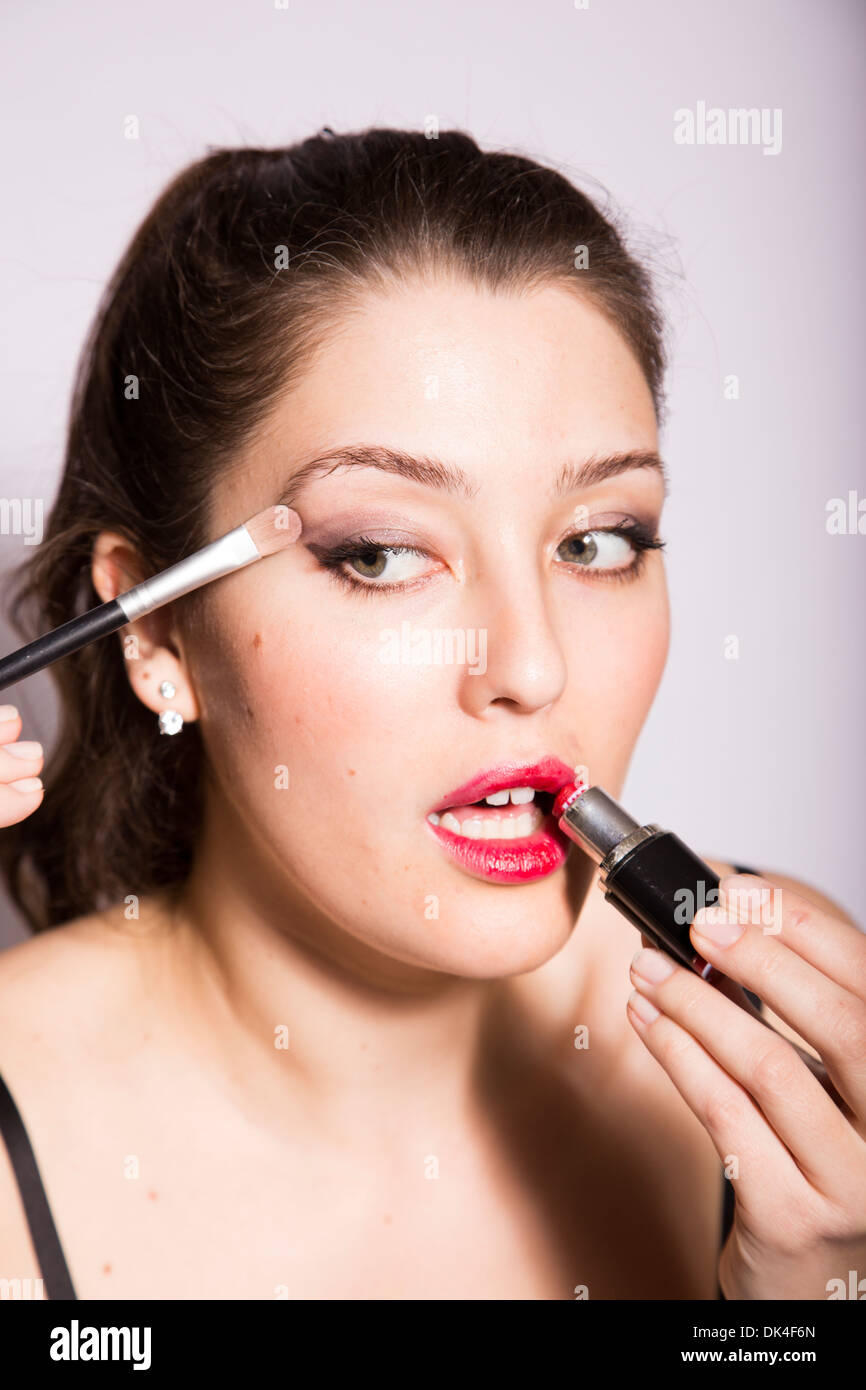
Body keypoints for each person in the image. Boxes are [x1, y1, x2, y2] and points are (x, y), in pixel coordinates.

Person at [0, 128, 862, 1301]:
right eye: (382, 554)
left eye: (597, 540)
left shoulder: (795, 1045)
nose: (529, 664)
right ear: (154, 634)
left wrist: (801, 1311)